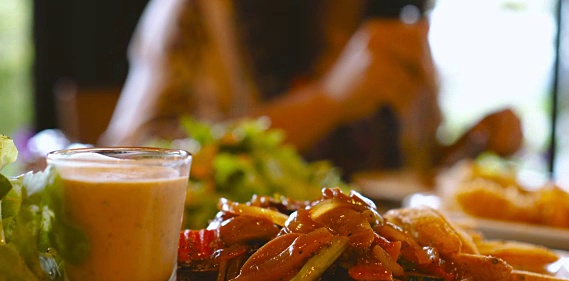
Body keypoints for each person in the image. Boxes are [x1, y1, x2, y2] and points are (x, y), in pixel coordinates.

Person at [100, 0, 523, 179]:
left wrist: (471, 145)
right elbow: (130, 159)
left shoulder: (395, 24)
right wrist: (328, 101)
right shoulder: (204, 12)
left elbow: (412, 167)